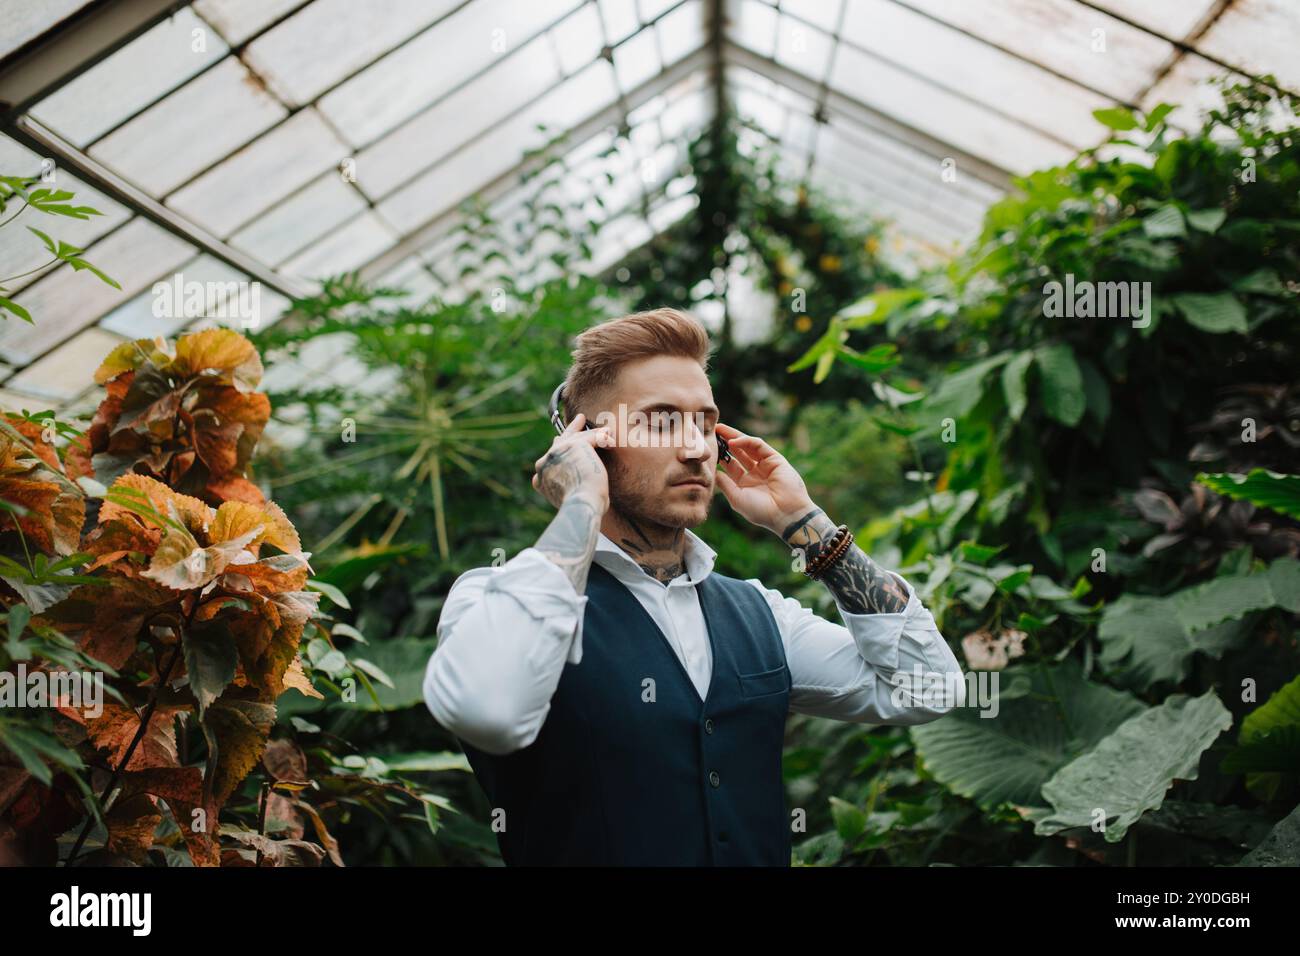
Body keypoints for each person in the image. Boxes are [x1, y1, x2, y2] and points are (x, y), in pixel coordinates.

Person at [422, 307, 965, 865]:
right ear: (586, 441)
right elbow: (487, 709)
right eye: (661, 420)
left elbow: (930, 690)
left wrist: (804, 523)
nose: (696, 448)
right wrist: (582, 500)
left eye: (705, 423)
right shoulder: (495, 598)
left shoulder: (759, 614)